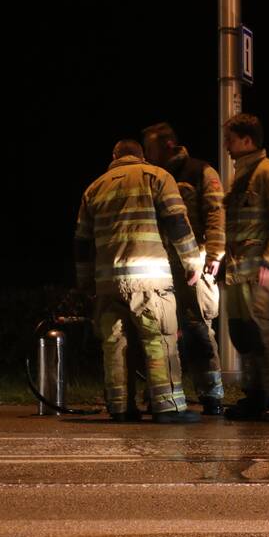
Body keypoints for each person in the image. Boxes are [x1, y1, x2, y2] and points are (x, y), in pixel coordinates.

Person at [74, 139, 202, 424]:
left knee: (115, 346)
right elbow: (177, 221)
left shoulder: (94, 188)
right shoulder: (157, 177)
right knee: (159, 340)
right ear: (141, 156)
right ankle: (167, 407)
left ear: (114, 156)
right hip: (149, 280)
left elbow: (82, 243)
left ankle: (120, 407)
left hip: (107, 285)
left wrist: (85, 283)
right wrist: (192, 262)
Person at [141, 122, 226, 415]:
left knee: (198, 327)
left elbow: (215, 212)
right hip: (161, 265)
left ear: (166, 145)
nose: (147, 155)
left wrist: (214, 254)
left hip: (195, 261)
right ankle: (165, 396)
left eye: (150, 148)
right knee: (162, 332)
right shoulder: (153, 177)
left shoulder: (201, 171)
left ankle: (212, 395)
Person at [221, 113, 269, 422]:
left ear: (247, 140)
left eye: (230, 139)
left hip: (259, 271)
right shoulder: (241, 176)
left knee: (265, 333)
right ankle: (254, 396)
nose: (226, 145)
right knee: (244, 335)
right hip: (237, 272)